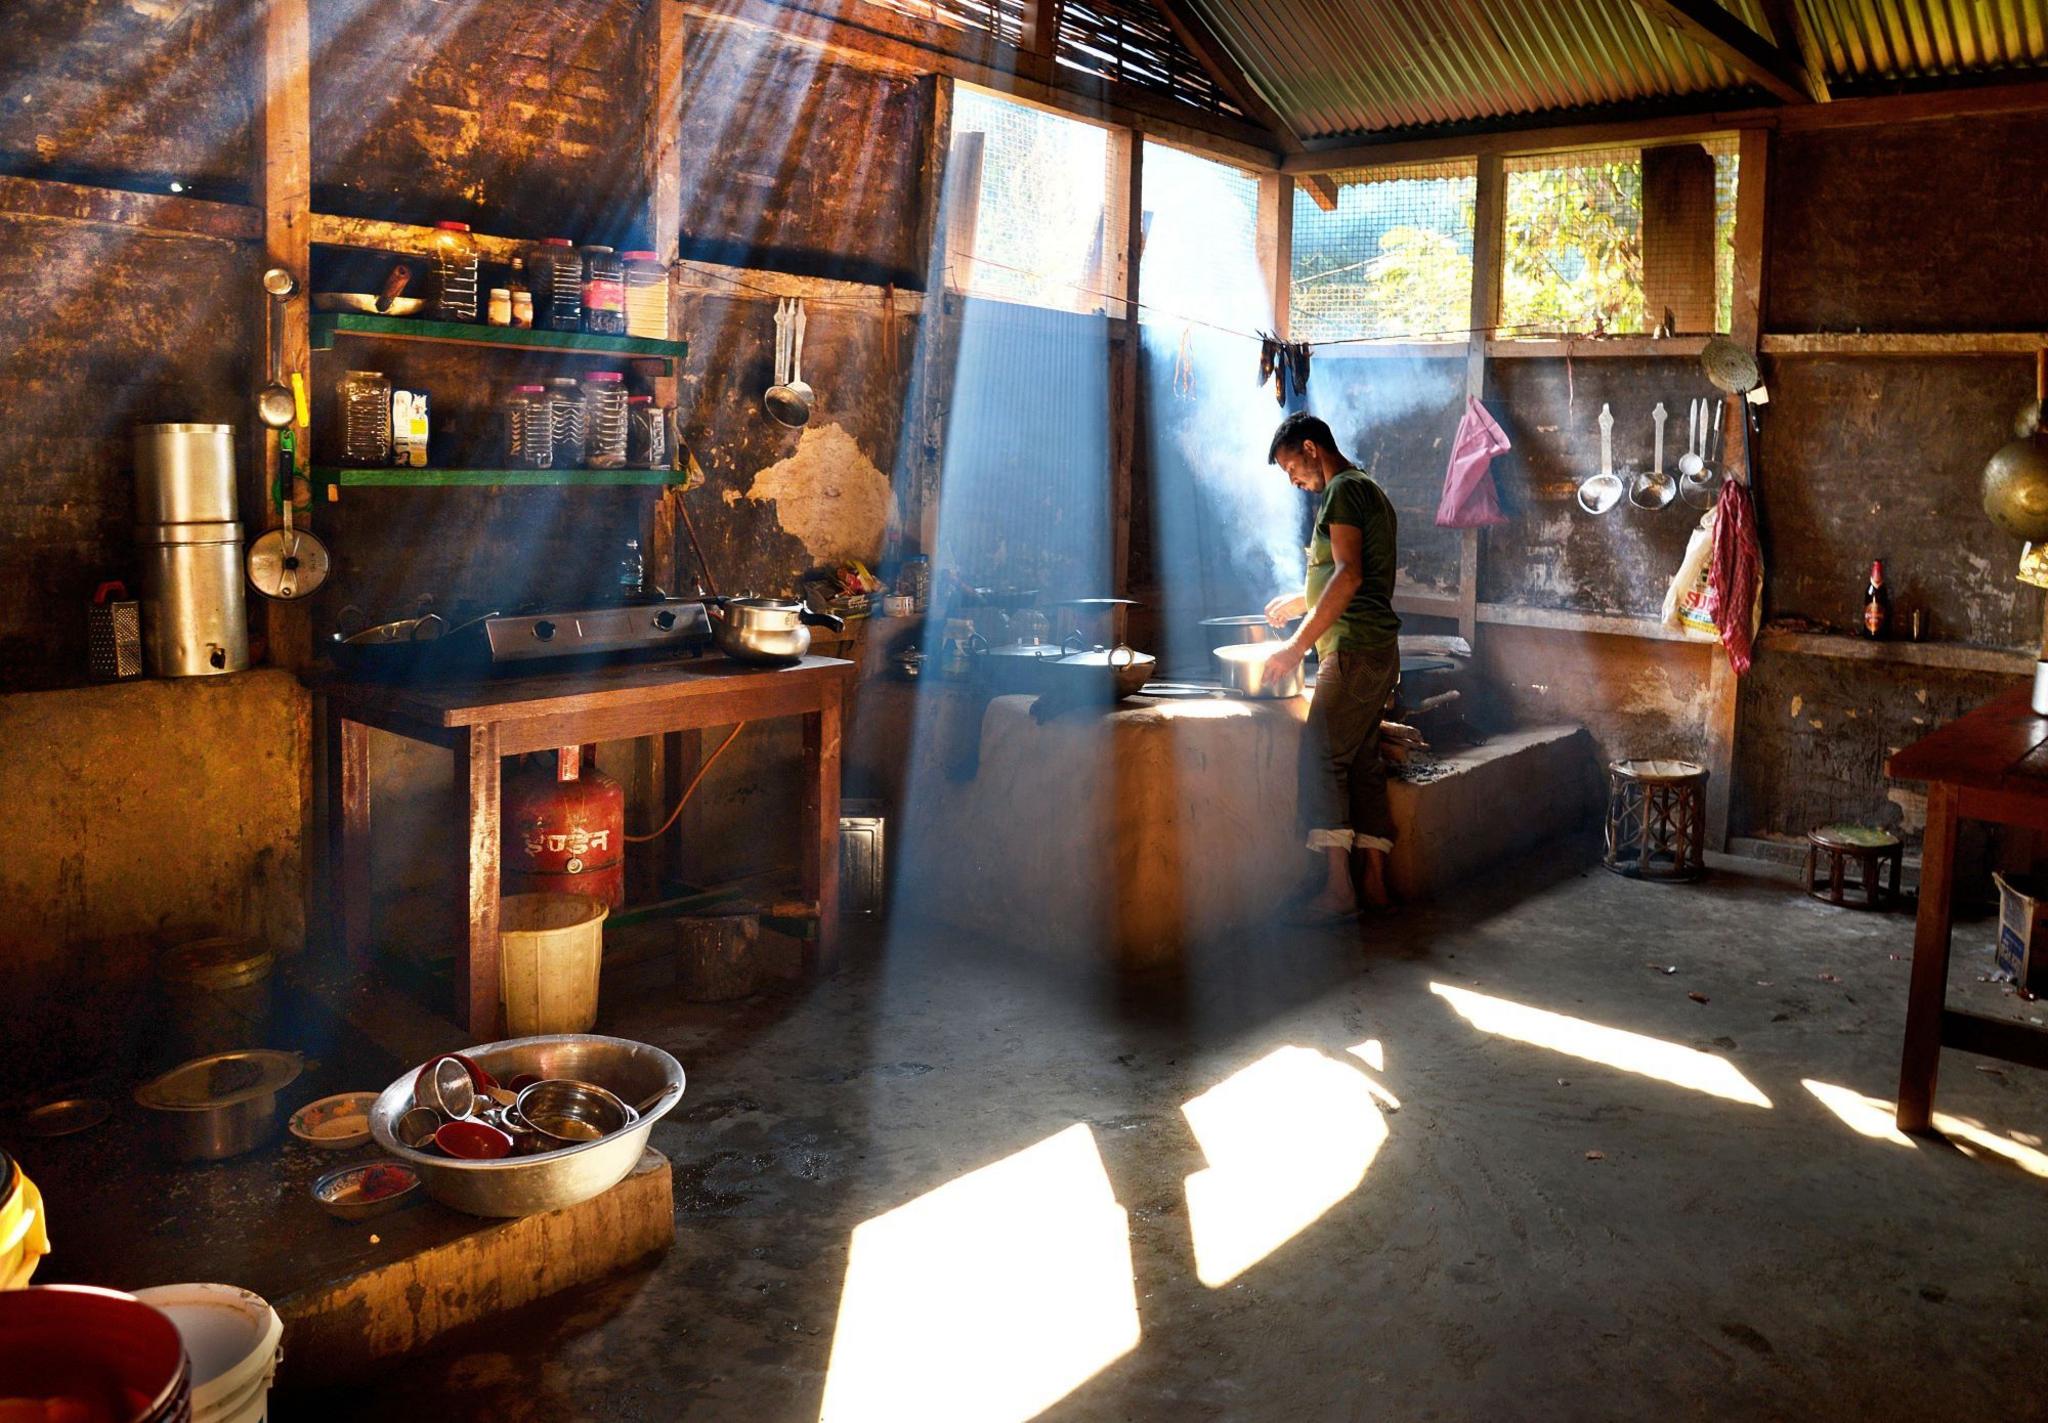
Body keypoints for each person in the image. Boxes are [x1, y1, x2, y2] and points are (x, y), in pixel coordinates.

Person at [1258, 412, 1402, 916]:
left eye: (1291, 468)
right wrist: (1301, 600)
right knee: (1361, 761)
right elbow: (1347, 575)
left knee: (1321, 755)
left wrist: (1295, 647)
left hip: (1354, 650)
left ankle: (1339, 892)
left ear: (1312, 448)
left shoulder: (1341, 490)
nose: (1293, 480)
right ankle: (1375, 885)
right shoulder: (1370, 490)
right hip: (1376, 649)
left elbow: (1348, 576)